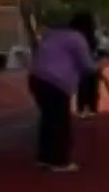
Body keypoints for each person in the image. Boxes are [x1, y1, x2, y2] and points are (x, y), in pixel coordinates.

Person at [28, 12, 98, 173]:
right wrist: (100, 64)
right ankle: (59, 160)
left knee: (48, 119)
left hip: (37, 77)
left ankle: (45, 157)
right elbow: (87, 66)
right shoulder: (77, 38)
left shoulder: (53, 34)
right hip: (56, 82)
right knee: (60, 121)